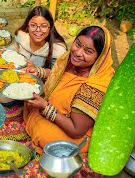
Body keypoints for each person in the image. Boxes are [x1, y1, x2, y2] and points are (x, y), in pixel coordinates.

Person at [23, 26, 115, 154]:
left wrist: (45, 107)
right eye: (78, 44)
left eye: (88, 51)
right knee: (28, 99)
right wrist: (40, 72)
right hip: (58, 113)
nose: (78, 53)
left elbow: (76, 131)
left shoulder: (95, 85)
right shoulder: (71, 60)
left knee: (45, 135)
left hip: (76, 130)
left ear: (99, 57)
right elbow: (58, 75)